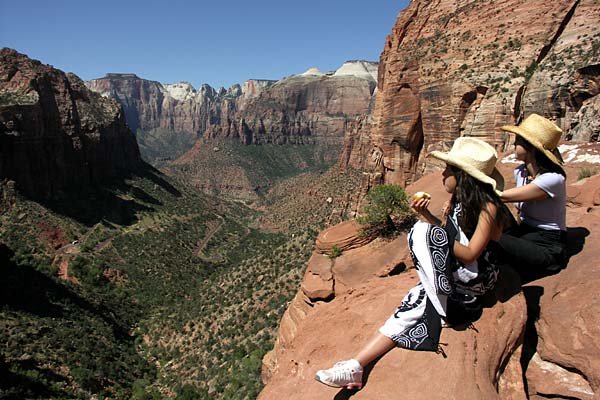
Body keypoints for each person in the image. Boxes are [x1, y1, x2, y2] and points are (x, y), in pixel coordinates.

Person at [314, 137, 514, 390]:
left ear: (463, 176)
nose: (442, 174)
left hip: (477, 279)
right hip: (459, 272)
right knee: (416, 290)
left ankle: (443, 301)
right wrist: (426, 215)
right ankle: (356, 366)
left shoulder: (488, 207)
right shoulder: (459, 201)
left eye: (448, 169)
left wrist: (435, 237)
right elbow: (449, 236)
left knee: (422, 236)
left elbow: (471, 253)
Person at [498, 114, 567, 281]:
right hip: (524, 232)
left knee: (491, 238)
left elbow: (504, 197)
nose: (514, 144)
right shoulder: (520, 172)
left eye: (518, 141)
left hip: (547, 244)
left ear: (532, 148)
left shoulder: (553, 179)